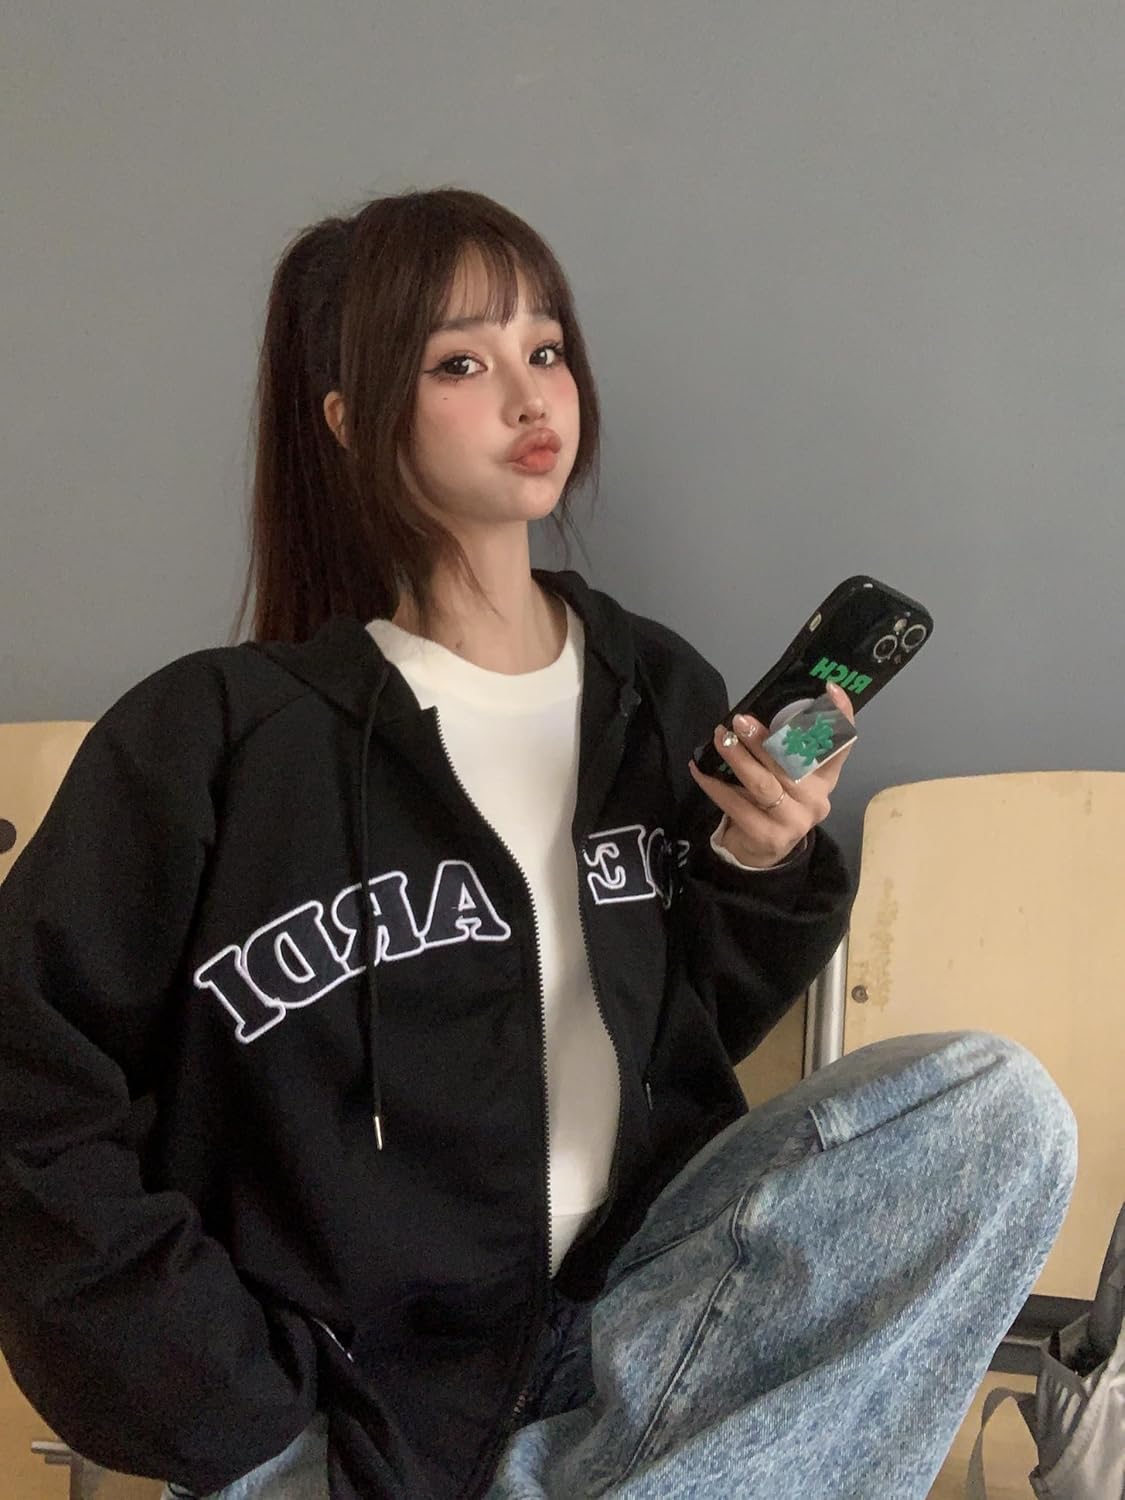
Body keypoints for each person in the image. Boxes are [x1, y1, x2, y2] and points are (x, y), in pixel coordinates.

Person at [0, 187, 1076, 1500]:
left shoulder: (652, 692)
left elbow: (686, 1029)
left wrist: (755, 859)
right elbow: (31, 1087)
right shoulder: (217, 736)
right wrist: (227, 1408)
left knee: (994, 1109)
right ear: (350, 420)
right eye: (460, 363)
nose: (529, 396)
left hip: (640, 1332)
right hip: (349, 1396)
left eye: (545, 349)